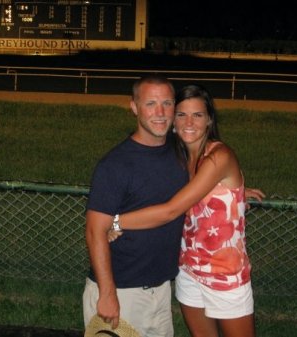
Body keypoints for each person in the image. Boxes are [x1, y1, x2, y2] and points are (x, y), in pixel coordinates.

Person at [108, 84, 264, 337]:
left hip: (226, 276)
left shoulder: (219, 156)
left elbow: (171, 210)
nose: (189, 122)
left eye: (198, 115)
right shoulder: (177, 157)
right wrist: (234, 195)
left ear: (209, 120)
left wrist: (114, 221)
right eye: (181, 115)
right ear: (172, 120)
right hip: (188, 271)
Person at [83, 74, 189, 337]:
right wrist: (108, 295)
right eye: (151, 104)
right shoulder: (115, 165)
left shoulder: (181, 152)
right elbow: (95, 231)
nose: (161, 112)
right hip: (120, 292)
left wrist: (233, 190)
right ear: (134, 107)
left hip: (161, 290)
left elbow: (205, 179)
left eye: (167, 103)